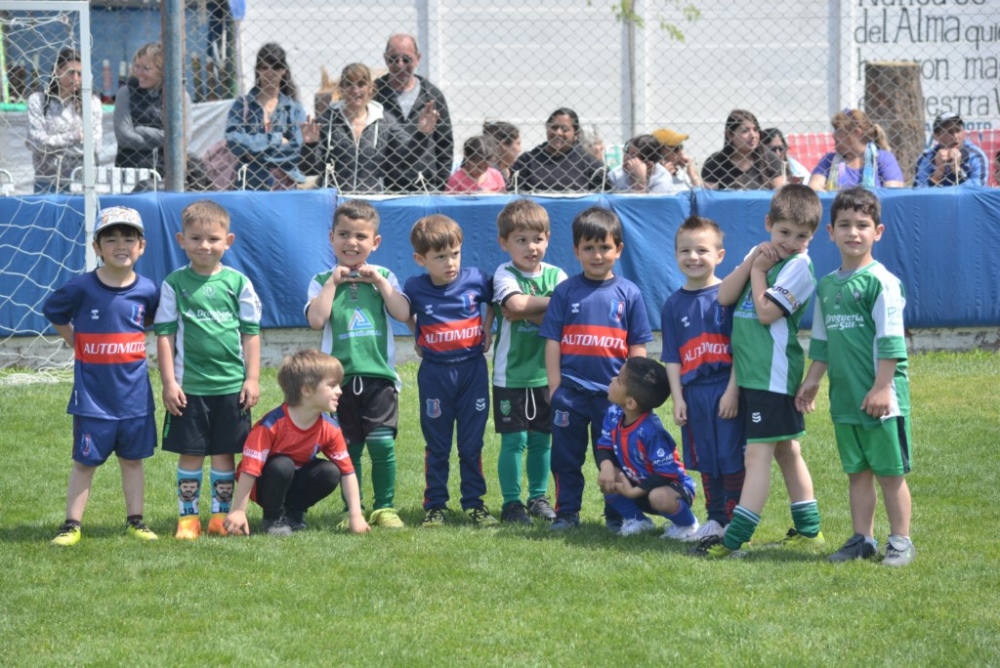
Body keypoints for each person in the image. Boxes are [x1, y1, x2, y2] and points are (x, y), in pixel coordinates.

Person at [692, 184, 824, 559]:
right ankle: (809, 531)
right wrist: (753, 263)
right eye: (784, 232)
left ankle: (735, 539)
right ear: (769, 224)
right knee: (786, 451)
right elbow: (723, 296)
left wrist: (761, 272)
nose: (790, 241)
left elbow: (766, 313)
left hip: (773, 375)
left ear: (811, 237)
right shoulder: (758, 255)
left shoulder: (800, 266)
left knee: (758, 457)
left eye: (801, 236)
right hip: (754, 375)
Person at [795, 187, 915, 566]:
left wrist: (882, 387)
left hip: (882, 399)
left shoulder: (882, 282)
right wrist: (813, 380)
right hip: (845, 398)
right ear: (830, 231)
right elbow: (823, 341)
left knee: (889, 472)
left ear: (877, 232)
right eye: (844, 225)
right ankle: (862, 538)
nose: (853, 233)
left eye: (862, 225)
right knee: (857, 471)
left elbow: (892, 341)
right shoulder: (827, 286)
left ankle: (901, 542)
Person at [44, 206, 159, 546]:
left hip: (135, 397)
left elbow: (150, 322)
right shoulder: (81, 287)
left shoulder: (149, 290)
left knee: (133, 461)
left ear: (142, 246)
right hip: (92, 399)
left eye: (128, 238)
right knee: (84, 462)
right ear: (97, 247)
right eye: (111, 239)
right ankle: (71, 524)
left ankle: (136, 520)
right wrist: (76, 342)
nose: (120, 245)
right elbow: (54, 311)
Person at [538, 207, 654, 530]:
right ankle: (567, 513)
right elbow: (552, 342)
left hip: (613, 397)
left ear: (618, 249)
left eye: (604, 247)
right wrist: (554, 387)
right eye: (588, 248)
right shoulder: (565, 292)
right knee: (565, 457)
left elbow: (637, 348)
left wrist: (633, 391)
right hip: (570, 394)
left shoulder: (629, 293)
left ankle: (617, 514)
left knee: (616, 456)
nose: (597, 255)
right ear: (576, 251)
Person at [154, 200, 262, 540]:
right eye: (196, 238)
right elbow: (165, 337)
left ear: (227, 241)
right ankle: (188, 519)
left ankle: (219, 516)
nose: (204, 245)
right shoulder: (174, 284)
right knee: (191, 453)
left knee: (224, 453)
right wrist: (169, 382)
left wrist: (253, 378)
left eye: (213, 239)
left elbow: (251, 335)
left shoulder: (238, 283)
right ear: (180, 240)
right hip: (190, 387)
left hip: (230, 387)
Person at [305, 200, 410, 529]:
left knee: (381, 442)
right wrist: (332, 284)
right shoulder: (322, 279)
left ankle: (385, 507)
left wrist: (379, 281)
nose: (352, 242)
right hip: (338, 382)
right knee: (347, 447)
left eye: (361, 236)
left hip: (379, 378)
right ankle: (354, 507)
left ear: (375, 243)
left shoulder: (385, 276)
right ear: (331, 238)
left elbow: (403, 313)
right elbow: (316, 320)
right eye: (344, 235)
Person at [404, 214, 498, 526]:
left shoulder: (476, 279)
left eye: (454, 253)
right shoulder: (415, 288)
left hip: (472, 371)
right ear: (421, 259)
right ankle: (435, 505)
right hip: (435, 374)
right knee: (438, 444)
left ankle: (475, 504)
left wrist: (487, 328)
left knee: (472, 444)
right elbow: (404, 311)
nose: (450, 263)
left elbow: (494, 300)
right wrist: (416, 333)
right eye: (440, 257)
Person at [660, 216, 745, 543]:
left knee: (731, 456)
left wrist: (733, 391)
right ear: (676, 255)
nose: (693, 257)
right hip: (694, 393)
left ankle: (736, 520)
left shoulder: (728, 296)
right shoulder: (672, 304)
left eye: (702, 250)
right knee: (706, 458)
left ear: (719, 255)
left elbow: (741, 350)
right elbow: (672, 356)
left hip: (725, 387)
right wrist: (678, 397)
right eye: (685, 251)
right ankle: (715, 518)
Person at [224, 350, 371, 536]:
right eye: (332, 385)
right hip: (265, 483)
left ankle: (294, 514)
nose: (340, 391)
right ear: (306, 390)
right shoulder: (270, 425)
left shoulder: (330, 427)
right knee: (283, 465)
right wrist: (238, 510)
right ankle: (273, 518)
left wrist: (356, 516)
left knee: (330, 472)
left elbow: (347, 471)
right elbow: (249, 469)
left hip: (294, 480)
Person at [490, 199, 567, 524]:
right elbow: (514, 303)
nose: (531, 247)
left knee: (541, 439)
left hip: (547, 376)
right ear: (504, 243)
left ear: (548, 238)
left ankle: (538, 497)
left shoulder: (557, 274)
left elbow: (562, 316)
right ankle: (511, 502)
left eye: (537, 239)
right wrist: (549, 305)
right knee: (515, 440)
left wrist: (535, 310)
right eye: (521, 240)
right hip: (511, 376)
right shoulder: (503, 273)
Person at [595, 358, 698, 537]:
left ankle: (688, 526)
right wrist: (606, 467)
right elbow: (604, 446)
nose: (612, 379)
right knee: (609, 477)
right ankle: (638, 521)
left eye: (618, 379)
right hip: (639, 487)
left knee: (658, 497)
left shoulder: (651, 431)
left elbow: (667, 473)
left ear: (630, 403)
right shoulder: (613, 414)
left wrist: (635, 491)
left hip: (670, 490)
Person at [302, 62, 431, 193]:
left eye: (361, 84)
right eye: (349, 84)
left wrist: (422, 134)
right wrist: (309, 146)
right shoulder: (327, 121)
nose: (355, 90)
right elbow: (309, 169)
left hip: (371, 200)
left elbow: (407, 156)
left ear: (370, 88)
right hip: (335, 199)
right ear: (341, 88)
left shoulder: (383, 120)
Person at [374, 34, 454, 192]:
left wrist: (440, 184)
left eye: (407, 59)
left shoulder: (432, 95)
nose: (400, 65)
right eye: (393, 59)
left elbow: (445, 144)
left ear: (418, 58)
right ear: (385, 59)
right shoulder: (375, 93)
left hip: (426, 185)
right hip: (384, 186)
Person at [225, 43, 307, 191]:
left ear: (284, 71)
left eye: (275, 67)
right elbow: (233, 140)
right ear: (257, 70)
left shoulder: (294, 109)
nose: (269, 73)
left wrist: (254, 155)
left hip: (285, 186)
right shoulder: (243, 105)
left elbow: (297, 150)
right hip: (250, 184)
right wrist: (276, 139)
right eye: (264, 67)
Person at [26, 48, 102, 194]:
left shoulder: (92, 103)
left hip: (81, 181)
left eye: (80, 74)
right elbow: (37, 143)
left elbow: (95, 146)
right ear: (57, 71)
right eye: (70, 72)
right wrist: (74, 137)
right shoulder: (38, 100)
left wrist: (50, 143)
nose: (75, 79)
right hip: (46, 180)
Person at [114, 42, 191, 171]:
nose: (139, 73)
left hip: (168, 170)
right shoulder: (126, 92)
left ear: (162, 71)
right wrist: (166, 139)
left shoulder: (179, 96)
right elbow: (124, 138)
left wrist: (141, 130)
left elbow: (182, 140)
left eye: (146, 68)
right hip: (132, 168)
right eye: (136, 66)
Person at [508, 108, 608, 193]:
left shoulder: (588, 162)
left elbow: (606, 191)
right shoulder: (527, 161)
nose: (558, 133)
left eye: (564, 129)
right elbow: (514, 193)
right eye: (554, 128)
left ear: (576, 134)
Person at [808, 109, 904, 191]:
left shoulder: (883, 158)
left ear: (857, 133)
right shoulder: (829, 160)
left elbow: (893, 193)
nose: (833, 135)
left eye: (838, 130)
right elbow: (814, 189)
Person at [702, 109, 785, 191]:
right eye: (745, 131)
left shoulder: (770, 160)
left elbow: (779, 197)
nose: (753, 135)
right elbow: (709, 198)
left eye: (755, 130)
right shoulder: (714, 163)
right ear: (729, 135)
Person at [914, 113, 988, 188]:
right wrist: (938, 173)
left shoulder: (976, 156)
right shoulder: (925, 158)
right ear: (936, 136)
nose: (955, 137)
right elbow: (920, 194)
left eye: (958, 130)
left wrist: (957, 171)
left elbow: (978, 192)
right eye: (949, 132)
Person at [607, 134, 678, 193]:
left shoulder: (662, 178)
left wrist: (640, 182)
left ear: (648, 164)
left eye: (633, 155)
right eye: (626, 152)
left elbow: (645, 208)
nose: (626, 158)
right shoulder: (616, 175)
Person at [652, 127, 702, 191]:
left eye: (680, 147)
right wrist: (664, 176)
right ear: (659, 150)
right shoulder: (654, 175)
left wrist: (692, 174)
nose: (681, 152)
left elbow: (701, 195)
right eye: (675, 149)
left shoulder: (682, 172)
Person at [482, 120, 522, 185]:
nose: (520, 149)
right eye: (518, 143)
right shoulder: (489, 172)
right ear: (504, 144)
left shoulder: (514, 168)